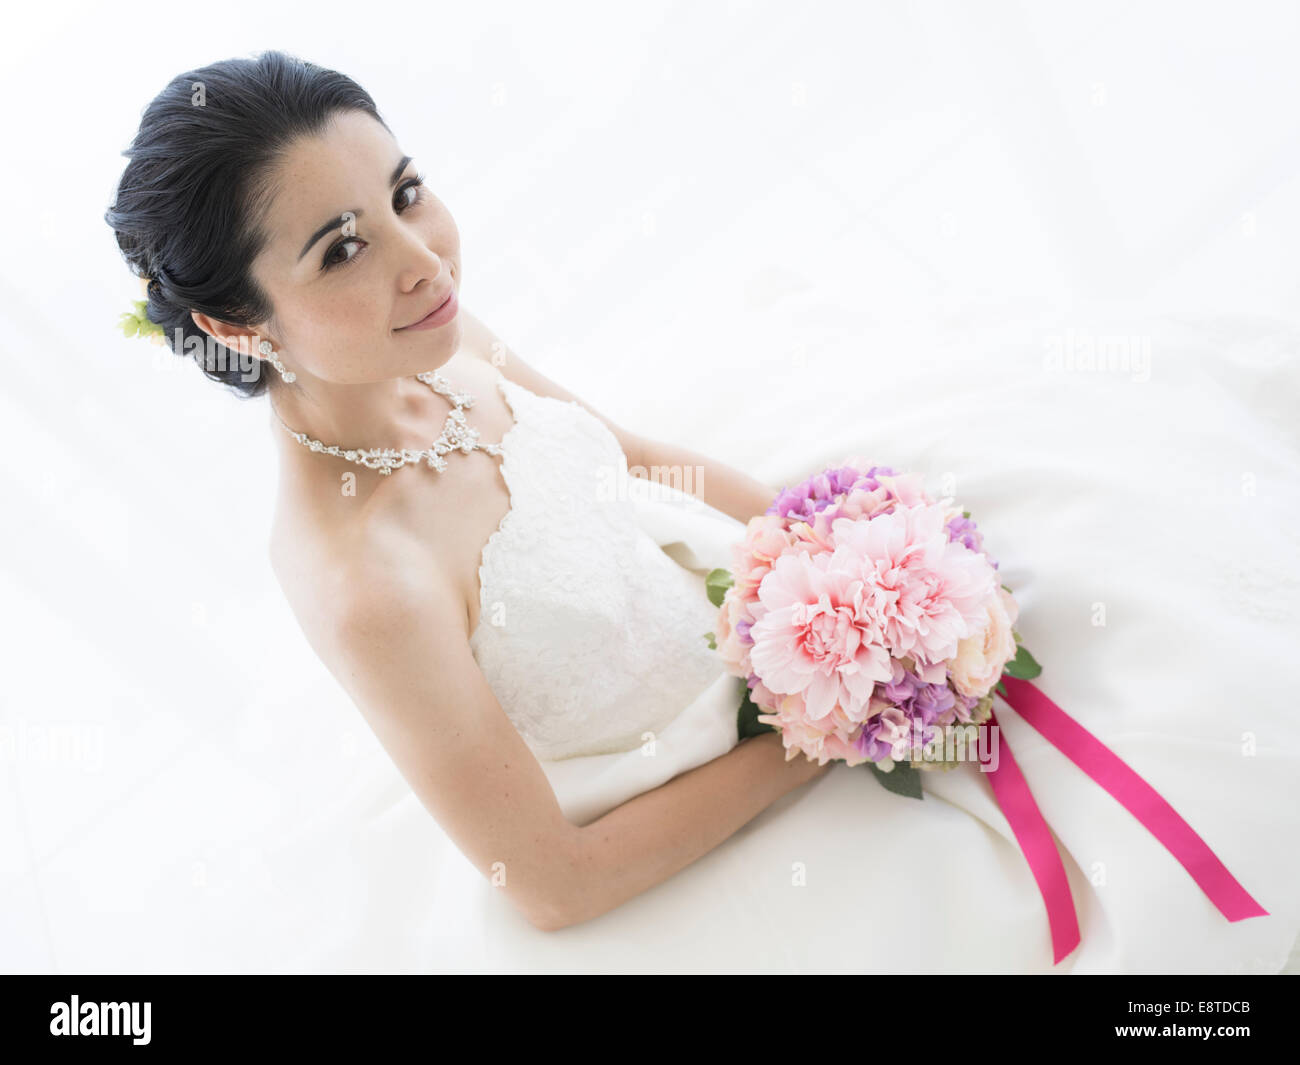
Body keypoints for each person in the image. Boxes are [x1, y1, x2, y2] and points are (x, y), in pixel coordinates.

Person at [107, 51, 1293, 974]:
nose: (423, 261)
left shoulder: (435, 341)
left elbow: (627, 459)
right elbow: (553, 883)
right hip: (679, 797)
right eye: (343, 249)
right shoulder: (365, 581)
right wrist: (831, 728)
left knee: (1162, 628)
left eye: (407, 191)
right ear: (234, 322)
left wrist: (848, 560)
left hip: (743, 625)